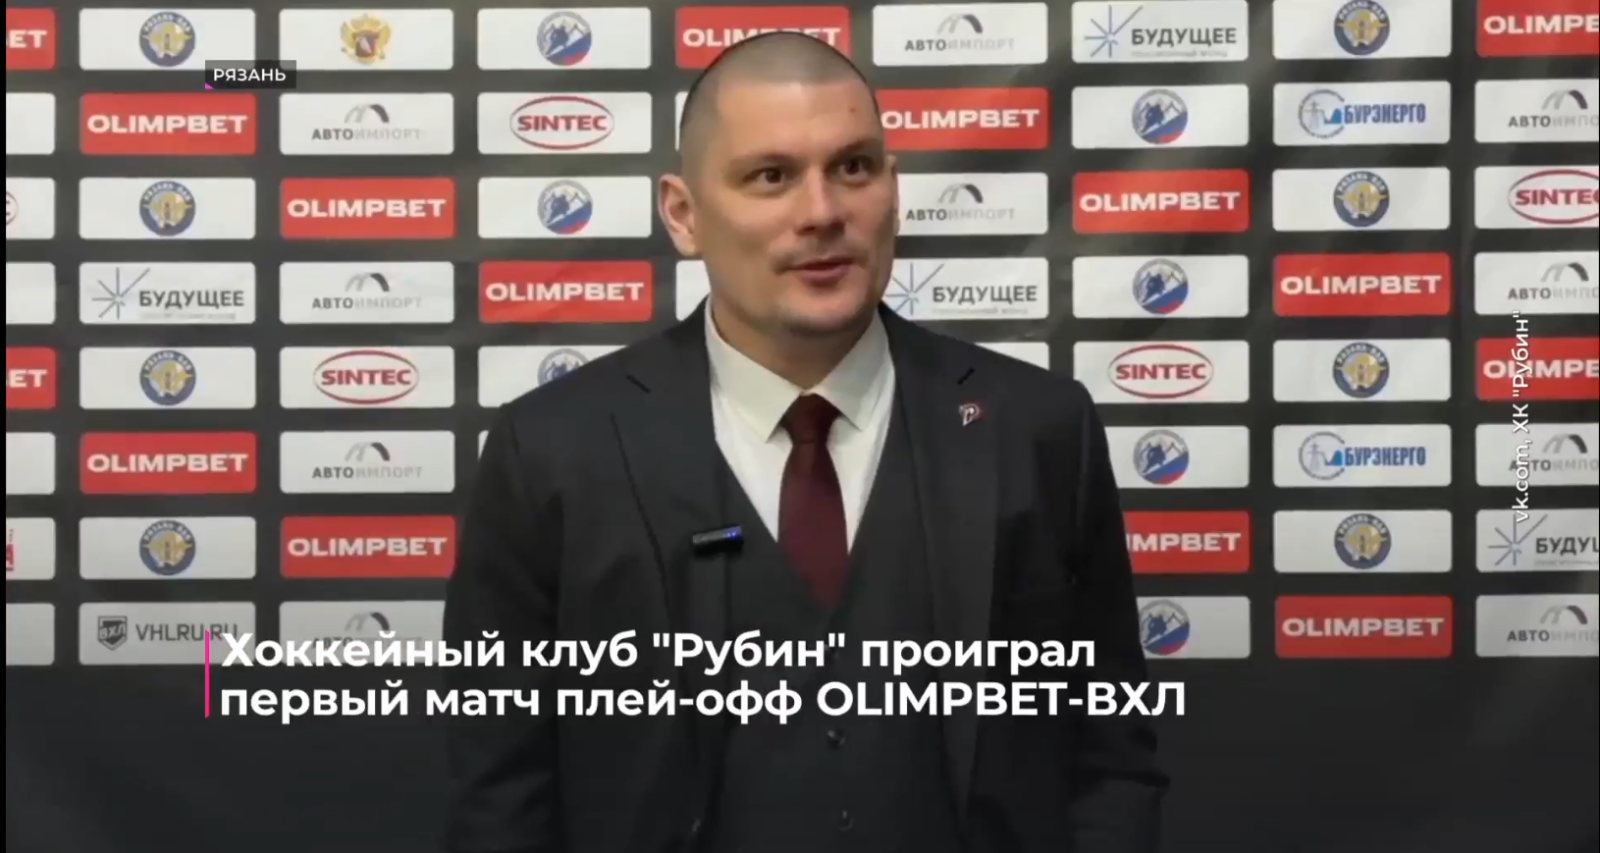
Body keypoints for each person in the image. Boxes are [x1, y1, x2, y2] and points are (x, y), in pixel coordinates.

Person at [442, 32, 1167, 853]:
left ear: (892, 187)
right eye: (771, 176)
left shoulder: (1038, 428)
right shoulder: (549, 451)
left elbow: (1111, 755)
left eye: (853, 167)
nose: (822, 212)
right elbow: (501, 792)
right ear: (683, 213)